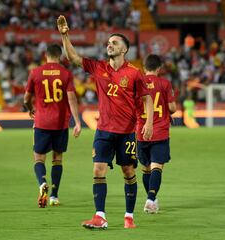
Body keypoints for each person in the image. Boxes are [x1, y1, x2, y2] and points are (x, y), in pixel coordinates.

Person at [57, 15, 154, 229]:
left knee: (128, 172)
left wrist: (149, 123)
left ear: (124, 50)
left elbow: (147, 98)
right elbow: (74, 58)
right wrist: (65, 35)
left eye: (114, 43)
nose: (109, 45)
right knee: (98, 170)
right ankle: (100, 216)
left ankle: (129, 216)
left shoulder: (134, 73)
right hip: (103, 131)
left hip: (127, 132)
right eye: (109, 43)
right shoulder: (98, 67)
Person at [24, 44, 81, 208]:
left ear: (45, 55)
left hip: (42, 122)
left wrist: (30, 109)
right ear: (60, 56)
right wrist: (77, 122)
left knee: (39, 158)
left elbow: (26, 98)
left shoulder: (35, 72)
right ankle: (54, 196)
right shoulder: (66, 74)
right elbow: (71, 99)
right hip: (61, 122)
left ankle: (42, 183)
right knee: (57, 159)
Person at [136, 54, 177, 214]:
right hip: (159, 131)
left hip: (141, 131)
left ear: (144, 67)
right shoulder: (164, 83)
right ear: (159, 68)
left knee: (146, 168)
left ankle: (151, 199)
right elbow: (172, 107)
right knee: (157, 167)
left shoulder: (137, 84)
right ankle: (151, 199)